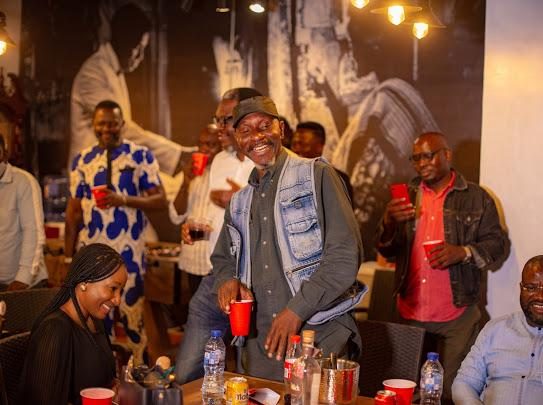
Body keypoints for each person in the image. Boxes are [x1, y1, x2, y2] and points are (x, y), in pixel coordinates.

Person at [213, 95, 364, 381]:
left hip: (318, 338)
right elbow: (223, 258)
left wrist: (296, 310)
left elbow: (344, 256)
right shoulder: (239, 202)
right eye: (245, 131)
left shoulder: (317, 175)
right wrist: (227, 280)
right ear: (238, 140)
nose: (256, 137)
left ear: (281, 129)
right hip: (260, 347)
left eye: (264, 126)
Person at [377, 132, 509, 403]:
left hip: (456, 314)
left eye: (428, 155)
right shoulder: (407, 196)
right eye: (416, 158)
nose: (421, 163)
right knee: (403, 390)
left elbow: (497, 245)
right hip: (409, 310)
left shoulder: (476, 197)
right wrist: (389, 223)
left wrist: (462, 252)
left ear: (447, 155)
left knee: (451, 392)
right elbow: (386, 250)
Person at [65, 100, 167, 364]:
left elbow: (160, 200)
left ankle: (137, 374)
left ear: (122, 124)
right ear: (93, 125)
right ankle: (100, 376)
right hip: (92, 257)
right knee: (95, 322)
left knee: (134, 320)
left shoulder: (140, 155)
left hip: (129, 255)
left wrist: (123, 200)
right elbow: (73, 212)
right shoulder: (82, 160)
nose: (106, 129)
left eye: (112, 123)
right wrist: (67, 258)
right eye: (101, 123)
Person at [175, 87, 261, 384]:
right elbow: (219, 219)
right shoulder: (221, 161)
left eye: (227, 119)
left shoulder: (269, 162)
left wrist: (244, 204)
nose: (220, 126)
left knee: (254, 380)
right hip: (219, 274)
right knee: (187, 374)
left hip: (257, 279)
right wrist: (196, 228)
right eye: (218, 119)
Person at [70, 3, 191, 176]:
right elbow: (121, 129)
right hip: (89, 175)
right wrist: (177, 155)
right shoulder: (93, 74)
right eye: (139, 48)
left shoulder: (113, 71)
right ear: (125, 42)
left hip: (107, 171)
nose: (141, 57)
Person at [19, 243, 127, 405]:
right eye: (113, 289)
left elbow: (99, 379)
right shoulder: (54, 330)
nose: (118, 300)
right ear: (84, 282)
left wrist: (114, 387)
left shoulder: (95, 321)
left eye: (120, 291)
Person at [452, 255, 543, 405]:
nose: (540, 297)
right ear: (521, 288)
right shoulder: (495, 330)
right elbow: (464, 383)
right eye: (531, 288)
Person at [169, 124, 222, 293]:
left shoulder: (228, 174)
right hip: (192, 259)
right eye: (201, 144)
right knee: (193, 308)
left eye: (211, 145)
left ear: (223, 146)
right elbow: (176, 216)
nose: (204, 149)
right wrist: (185, 183)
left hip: (216, 263)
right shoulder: (189, 173)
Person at [0, 133, 48, 291]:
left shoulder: (24, 182)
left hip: (25, 285)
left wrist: (22, 279)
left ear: (5, 154)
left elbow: (33, 232)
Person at [291, 121, 354, 202]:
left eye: (302, 145)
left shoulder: (337, 179)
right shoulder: (285, 177)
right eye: (294, 145)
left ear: (319, 147)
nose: (296, 150)